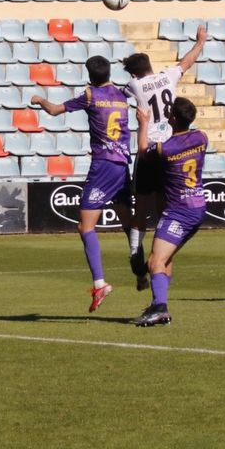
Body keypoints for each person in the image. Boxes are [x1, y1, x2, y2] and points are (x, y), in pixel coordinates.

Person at [30, 55, 137, 312]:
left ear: (89, 76)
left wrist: (40, 99)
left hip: (103, 166)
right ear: (109, 72)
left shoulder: (90, 95)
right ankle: (142, 271)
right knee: (129, 224)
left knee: (85, 226)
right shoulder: (122, 95)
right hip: (123, 165)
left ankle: (100, 283)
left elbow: (55, 110)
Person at [122, 24, 208, 288]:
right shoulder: (168, 76)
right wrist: (200, 42)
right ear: (150, 65)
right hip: (172, 150)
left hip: (150, 149)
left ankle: (136, 254)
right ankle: (161, 263)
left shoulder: (134, 84)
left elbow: (120, 95)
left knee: (141, 208)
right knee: (165, 212)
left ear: (134, 73)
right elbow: (186, 62)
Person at [134, 97, 208, 327]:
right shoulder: (202, 138)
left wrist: (143, 123)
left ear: (172, 118)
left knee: (155, 261)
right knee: (165, 259)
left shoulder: (165, 148)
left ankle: (160, 308)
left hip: (179, 211)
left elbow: (143, 151)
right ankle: (158, 304)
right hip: (198, 207)